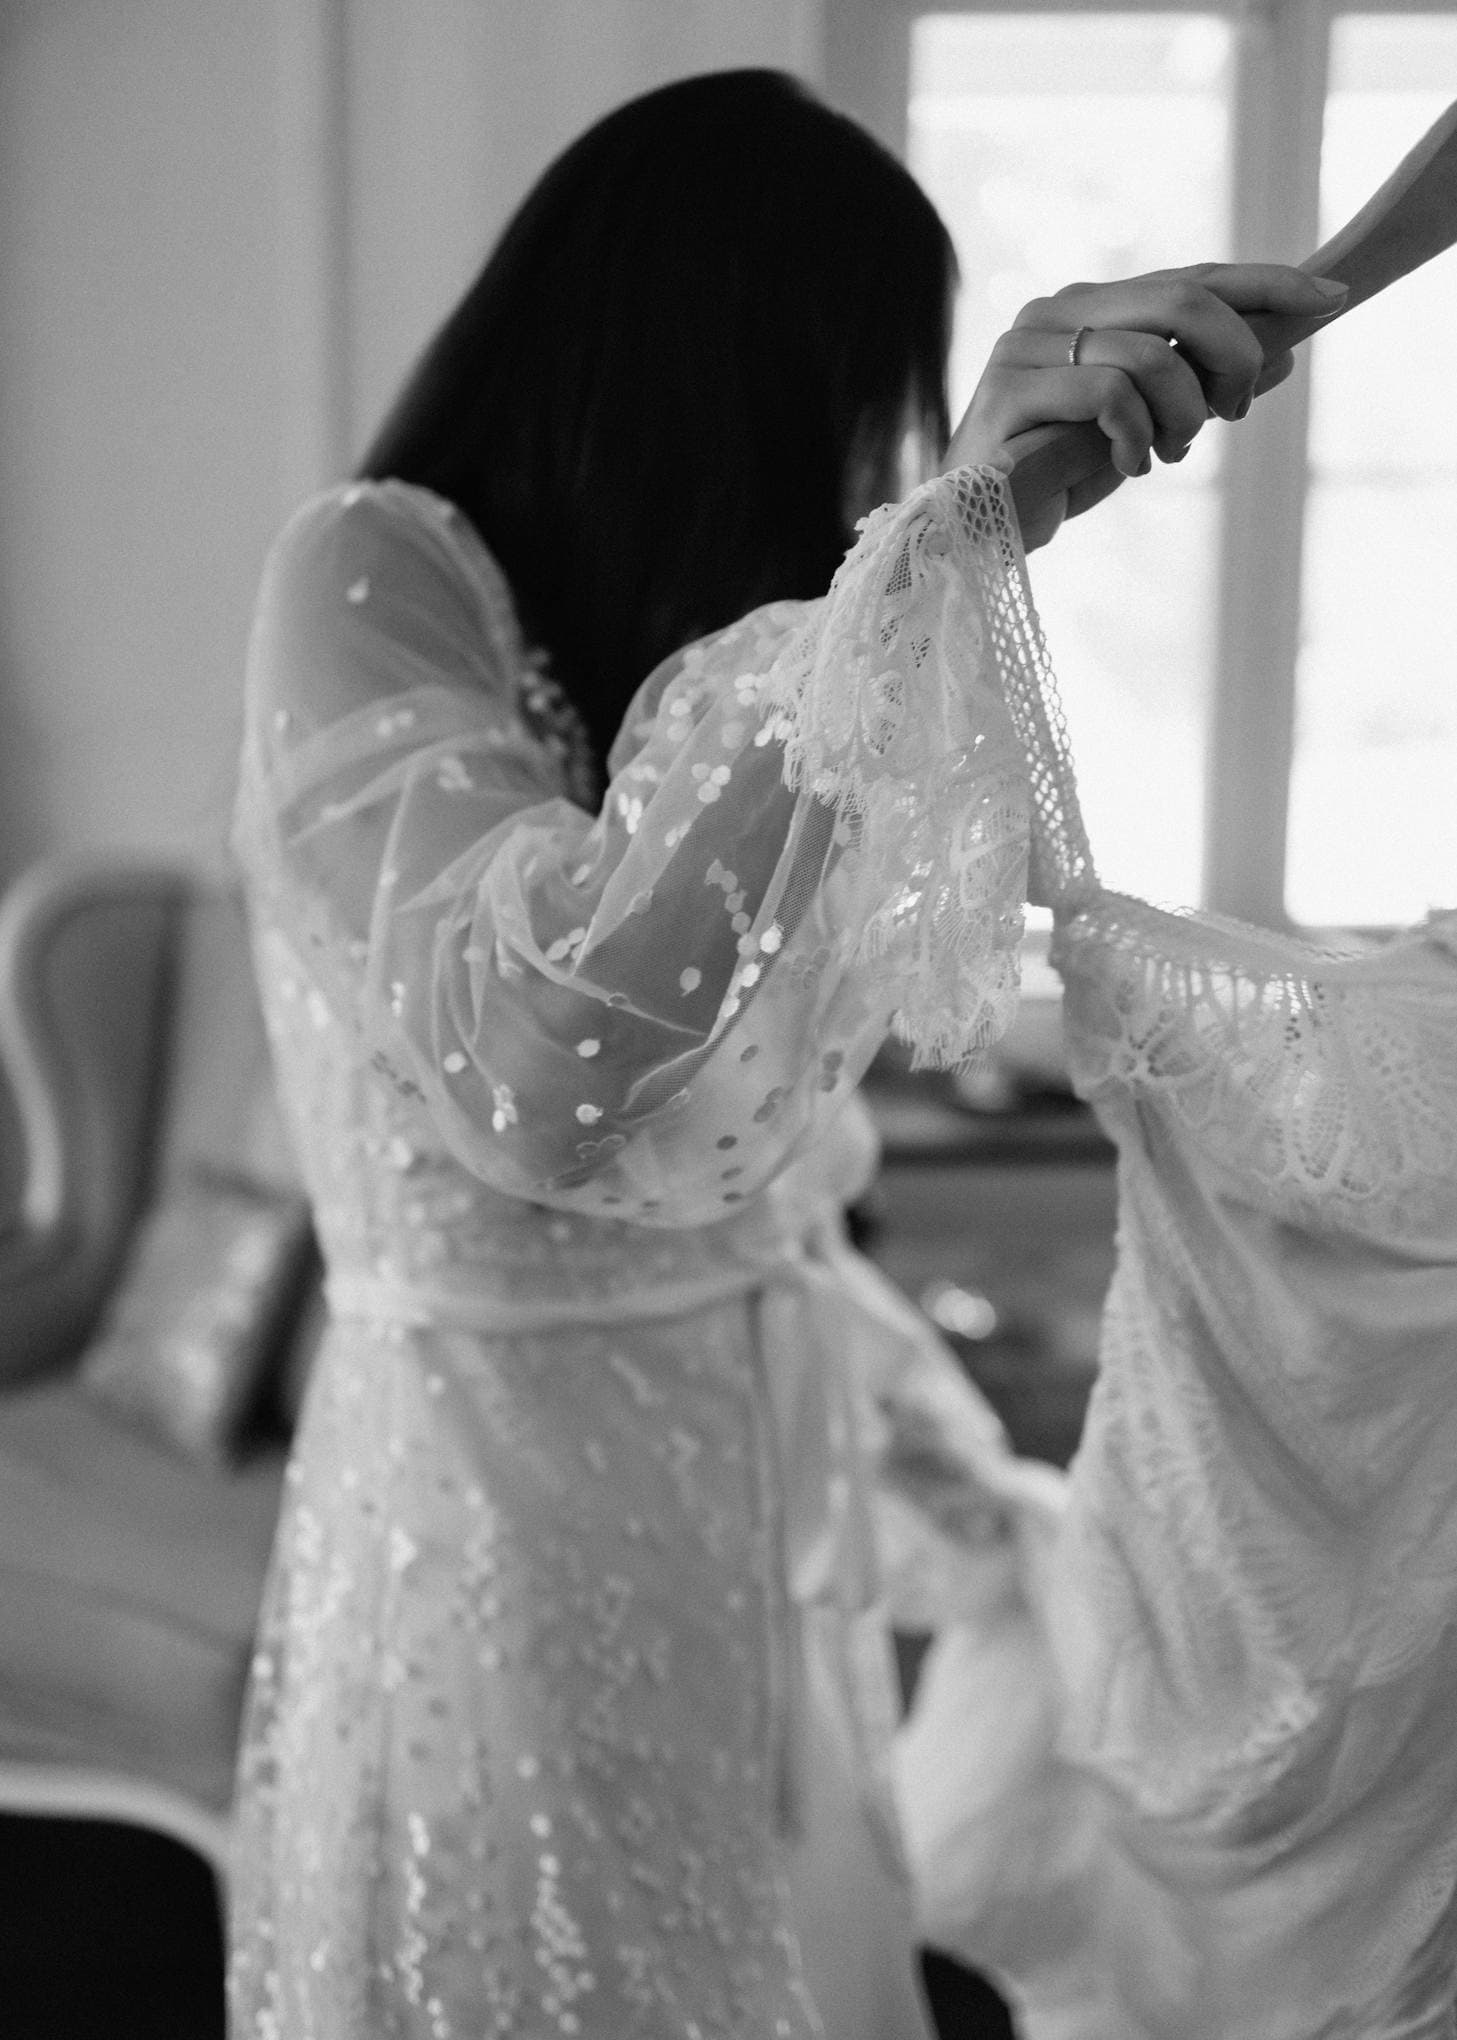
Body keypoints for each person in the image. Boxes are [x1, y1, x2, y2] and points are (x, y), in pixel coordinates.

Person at [226, 67, 1347, 2040]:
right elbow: (544, 1055)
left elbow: (778, 1211)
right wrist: (924, 550)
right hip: (494, 1533)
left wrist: (949, 1460)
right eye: (864, 391)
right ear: (727, 363)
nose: (870, 450)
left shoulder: (708, 666)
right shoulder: (368, 572)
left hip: (751, 1514)